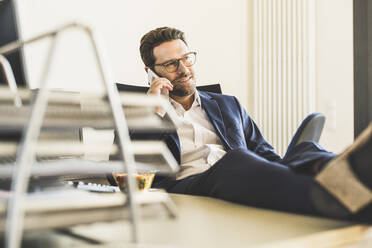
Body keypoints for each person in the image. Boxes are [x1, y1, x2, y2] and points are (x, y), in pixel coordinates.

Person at [139, 26, 372, 221]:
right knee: (236, 160)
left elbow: (264, 152)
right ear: (151, 72)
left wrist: (290, 166)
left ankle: (357, 175)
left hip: (241, 176)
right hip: (191, 185)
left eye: (187, 58)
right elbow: (125, 170)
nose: (184, 69)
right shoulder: (139, 113)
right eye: (171, 64)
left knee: (304, 149)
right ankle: (333, 200)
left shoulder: (228, 104)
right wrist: (154, 113)